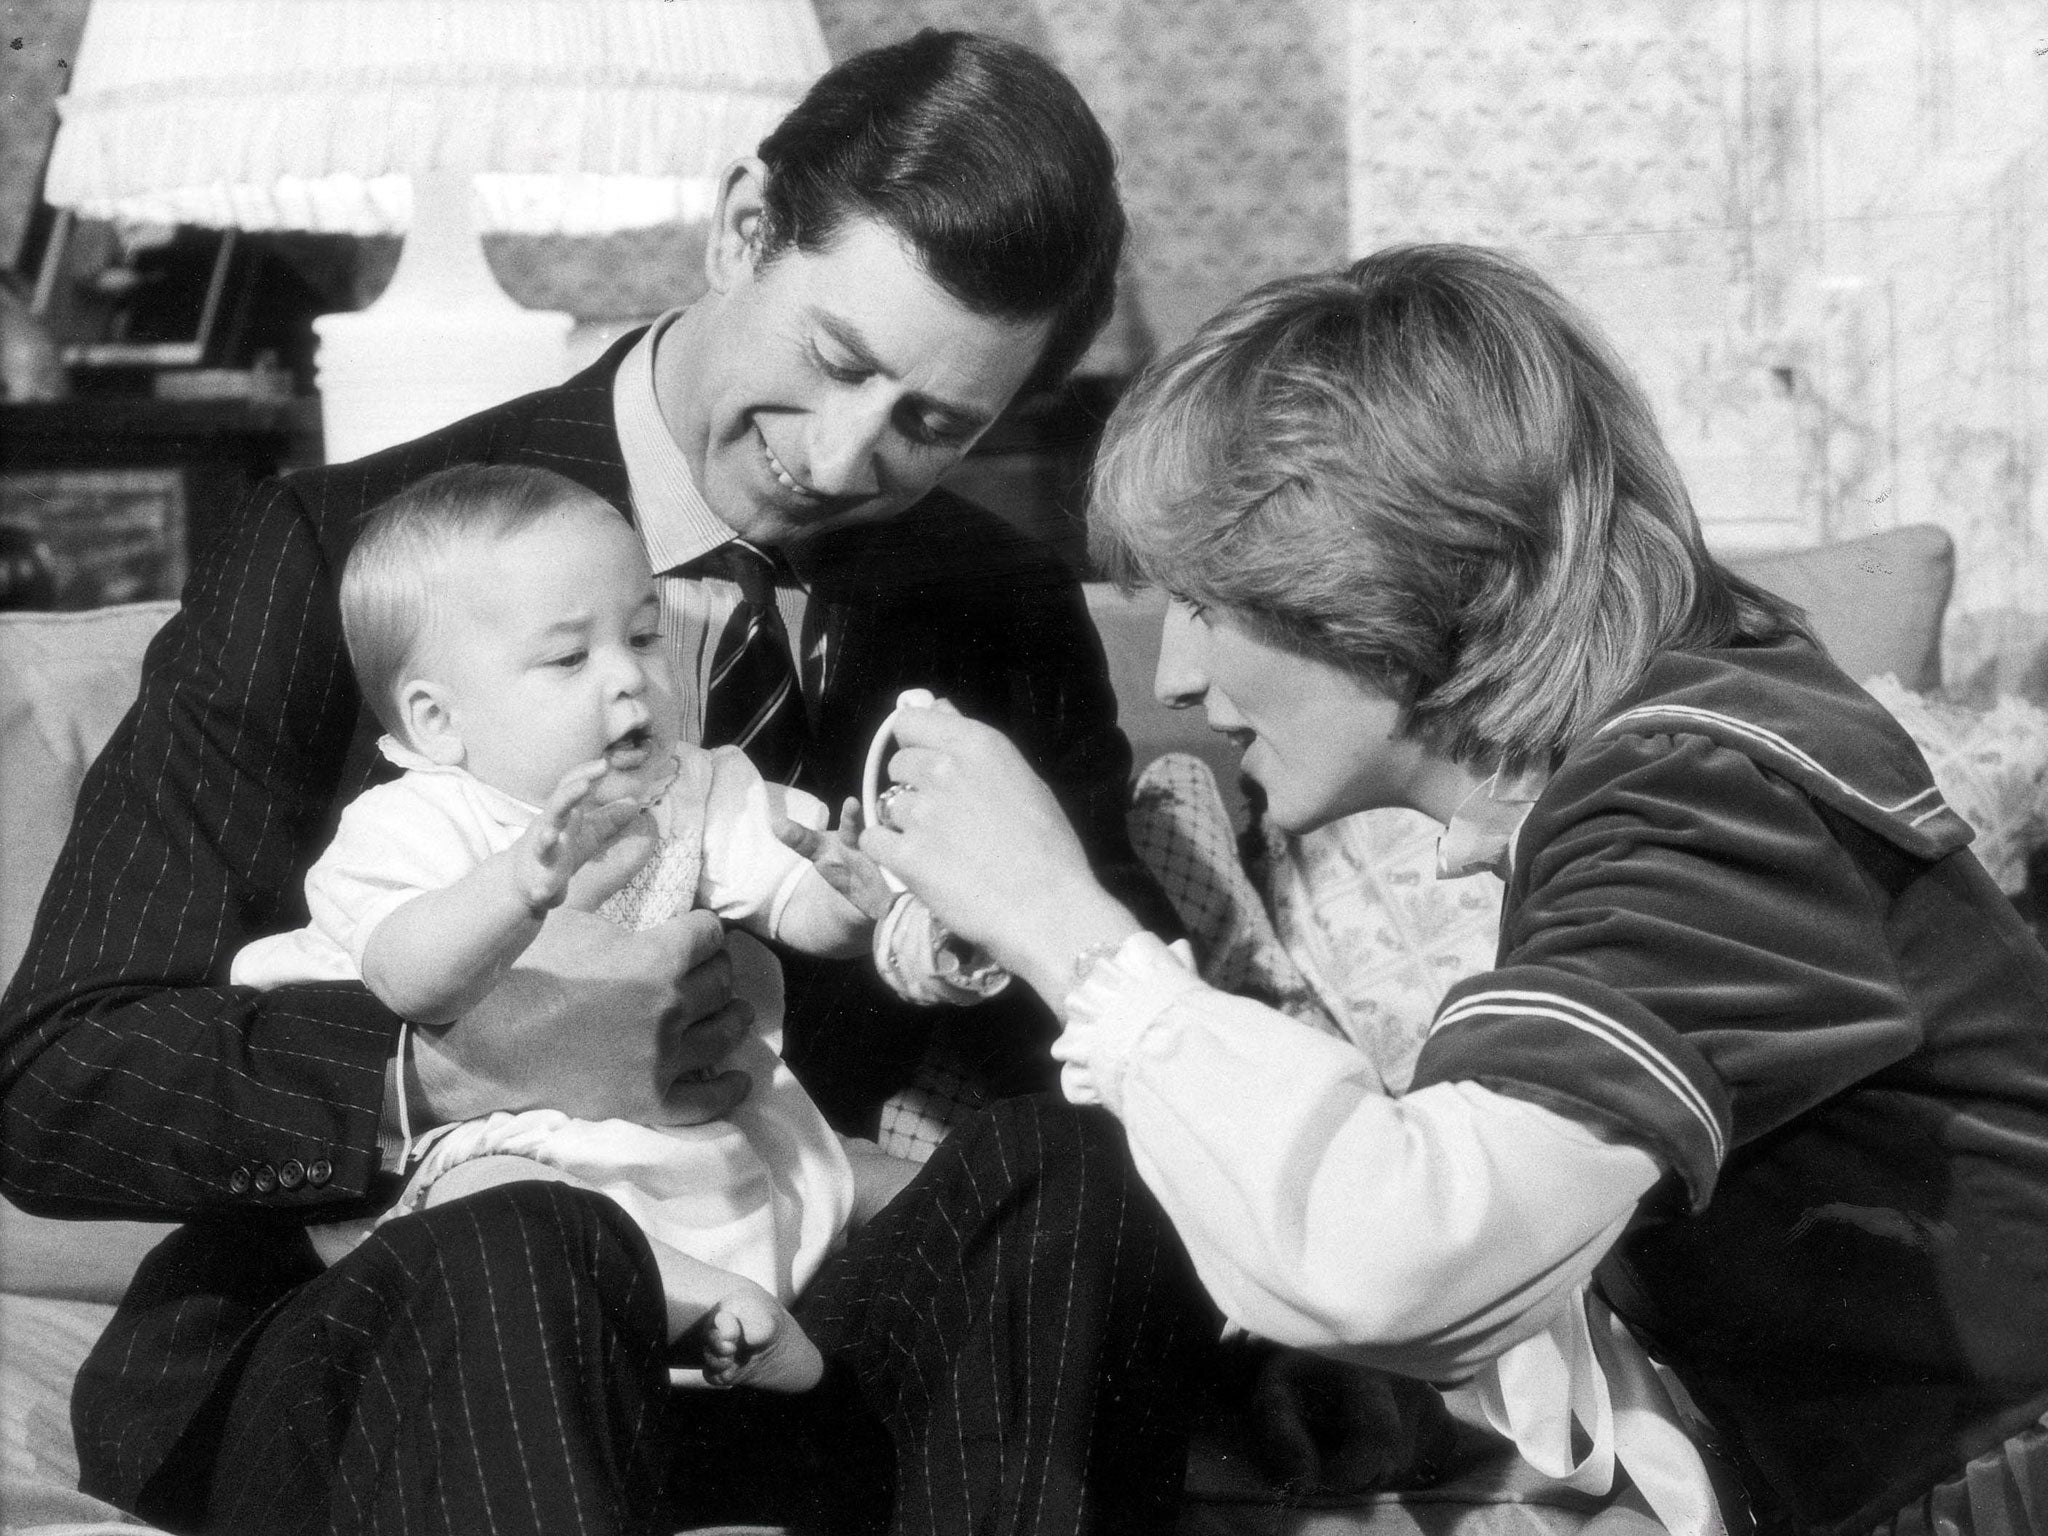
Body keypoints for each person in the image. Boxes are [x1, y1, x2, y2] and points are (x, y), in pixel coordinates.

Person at [0, 29, 1209, 1536]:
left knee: (1077, 1176)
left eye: (931, 425)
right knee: (535, 1250)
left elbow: (1107, 1021)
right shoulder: (343, 547)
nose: (843, 458)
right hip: (406, 1314)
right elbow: (59, 1080)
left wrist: (968, 940)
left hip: (794, 1330)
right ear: (744, 226)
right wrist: (464, 1063)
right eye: (837, 361)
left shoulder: (1000, 605)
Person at [863, 243, 2048, 1535]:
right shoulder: (1689, 737)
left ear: (1404, 576)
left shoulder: (1702, 795)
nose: (1179, 680)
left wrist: (1061, 925)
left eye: (1207, 605)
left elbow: (1405, 1252)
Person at [232, 463, 1012, 1390]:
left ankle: (793, 1297)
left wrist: (851, 896)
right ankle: (689, 1299)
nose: (629, 681)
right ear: (438, 722)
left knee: (854, 1171)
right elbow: (413, 980)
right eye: (569, 658)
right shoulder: (412, 824)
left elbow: (791, 901)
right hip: (493, 1132)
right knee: (498, 1207)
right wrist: (519, 885)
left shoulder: (692, 786)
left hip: (659, 1110)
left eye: (644, 637)